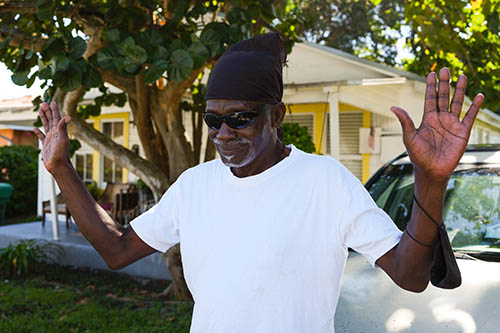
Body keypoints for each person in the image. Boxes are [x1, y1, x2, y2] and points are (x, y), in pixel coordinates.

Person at [34, 33, 484, 332]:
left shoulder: (325, 182)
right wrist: (62, 169)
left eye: (240, 118)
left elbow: (410, 277)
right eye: (213, 120)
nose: (223, 134)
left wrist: (431, 179)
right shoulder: (195, 187)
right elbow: (117, 250)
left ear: (277, 116)